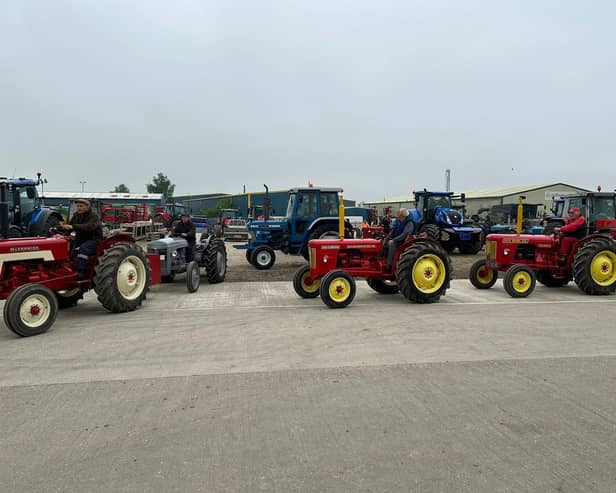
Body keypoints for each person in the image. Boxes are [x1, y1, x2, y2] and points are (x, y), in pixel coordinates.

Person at [62, 198, 103, 275]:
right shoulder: (76, 215)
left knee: (84, 248)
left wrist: (73, 227)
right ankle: (65, 264)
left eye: (81, 206)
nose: (79, 208)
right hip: (80, 239)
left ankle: (80, 270)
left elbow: (90, 227)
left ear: (87, 207)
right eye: (77, 206)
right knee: (66, 244)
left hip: (93, 239)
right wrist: (63, 232)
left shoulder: (94, 216)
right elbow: (70, 227)